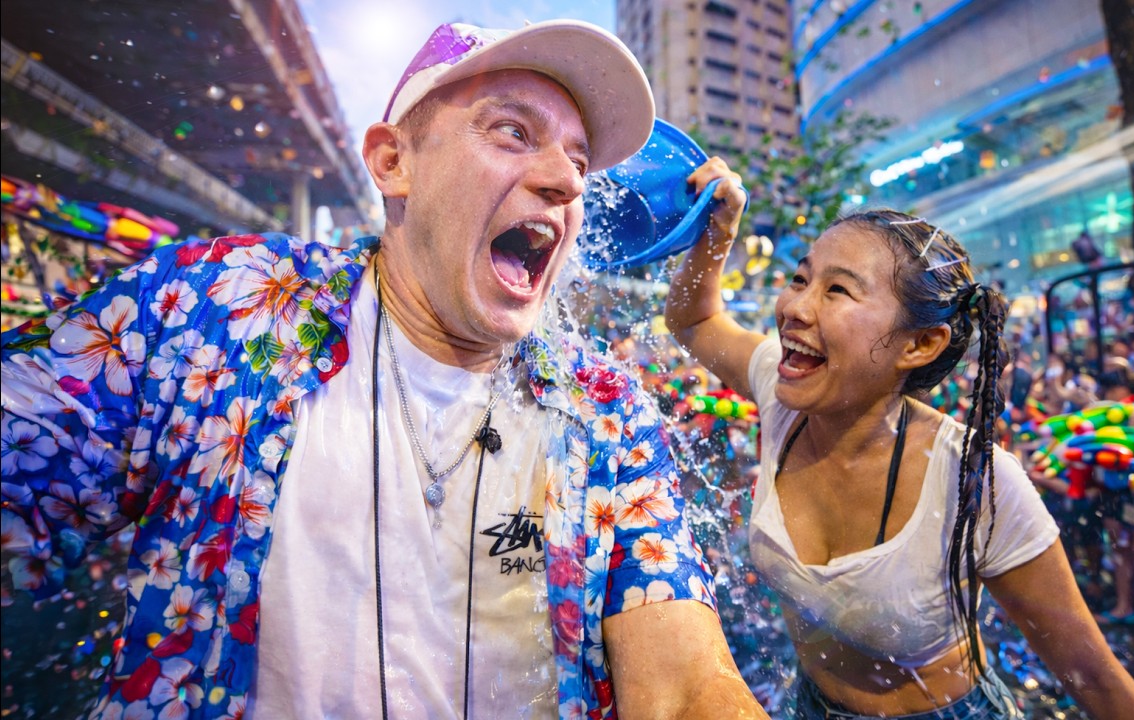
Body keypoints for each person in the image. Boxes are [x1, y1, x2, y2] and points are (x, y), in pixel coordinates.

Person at [0, 20, 767, 720]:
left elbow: (683, 683)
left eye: (577, 160)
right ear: (393, 162)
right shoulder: (221, 312)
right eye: (512, 131)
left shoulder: (602, 410)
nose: (567, 183)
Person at [665, 162, 1134, 719]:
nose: (794, 308)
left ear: (920, 344)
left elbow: (1091, 675)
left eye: (838, 290)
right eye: (801, 279)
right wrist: (720, 231)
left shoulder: (975, 479)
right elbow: (694, 320)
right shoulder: (782, 392)